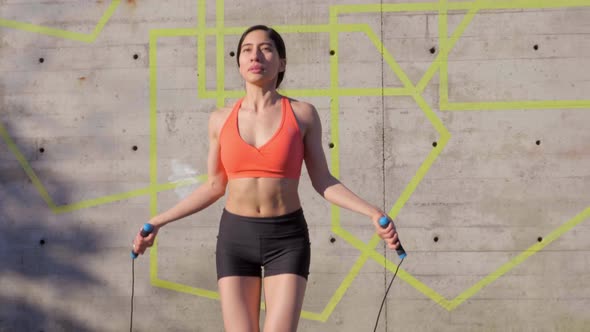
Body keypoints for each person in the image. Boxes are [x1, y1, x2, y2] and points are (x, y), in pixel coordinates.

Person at [132, 24, 401, 332]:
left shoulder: (302, 114)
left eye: (266, 48)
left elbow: (322, 180)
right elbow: (214, 185)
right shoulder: (219, 119)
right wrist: (158, 220)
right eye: (246, 49)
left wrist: (373, 212)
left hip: (286, 239)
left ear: (282, 63)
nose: (255, 55)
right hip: (235, 237)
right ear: (239, 63)